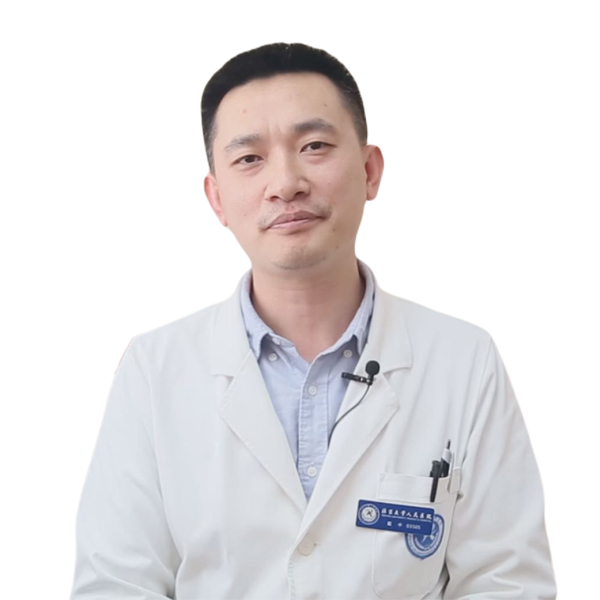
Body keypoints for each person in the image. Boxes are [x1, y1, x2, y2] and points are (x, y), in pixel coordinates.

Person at [70, 42, 556, 599]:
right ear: (217, 199)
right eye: (249, 159)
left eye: (314, 146)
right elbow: (117, 584)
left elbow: (507, 582)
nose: (286, 183)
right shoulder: (154, 371)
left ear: (370, 171)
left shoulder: (463, 361)